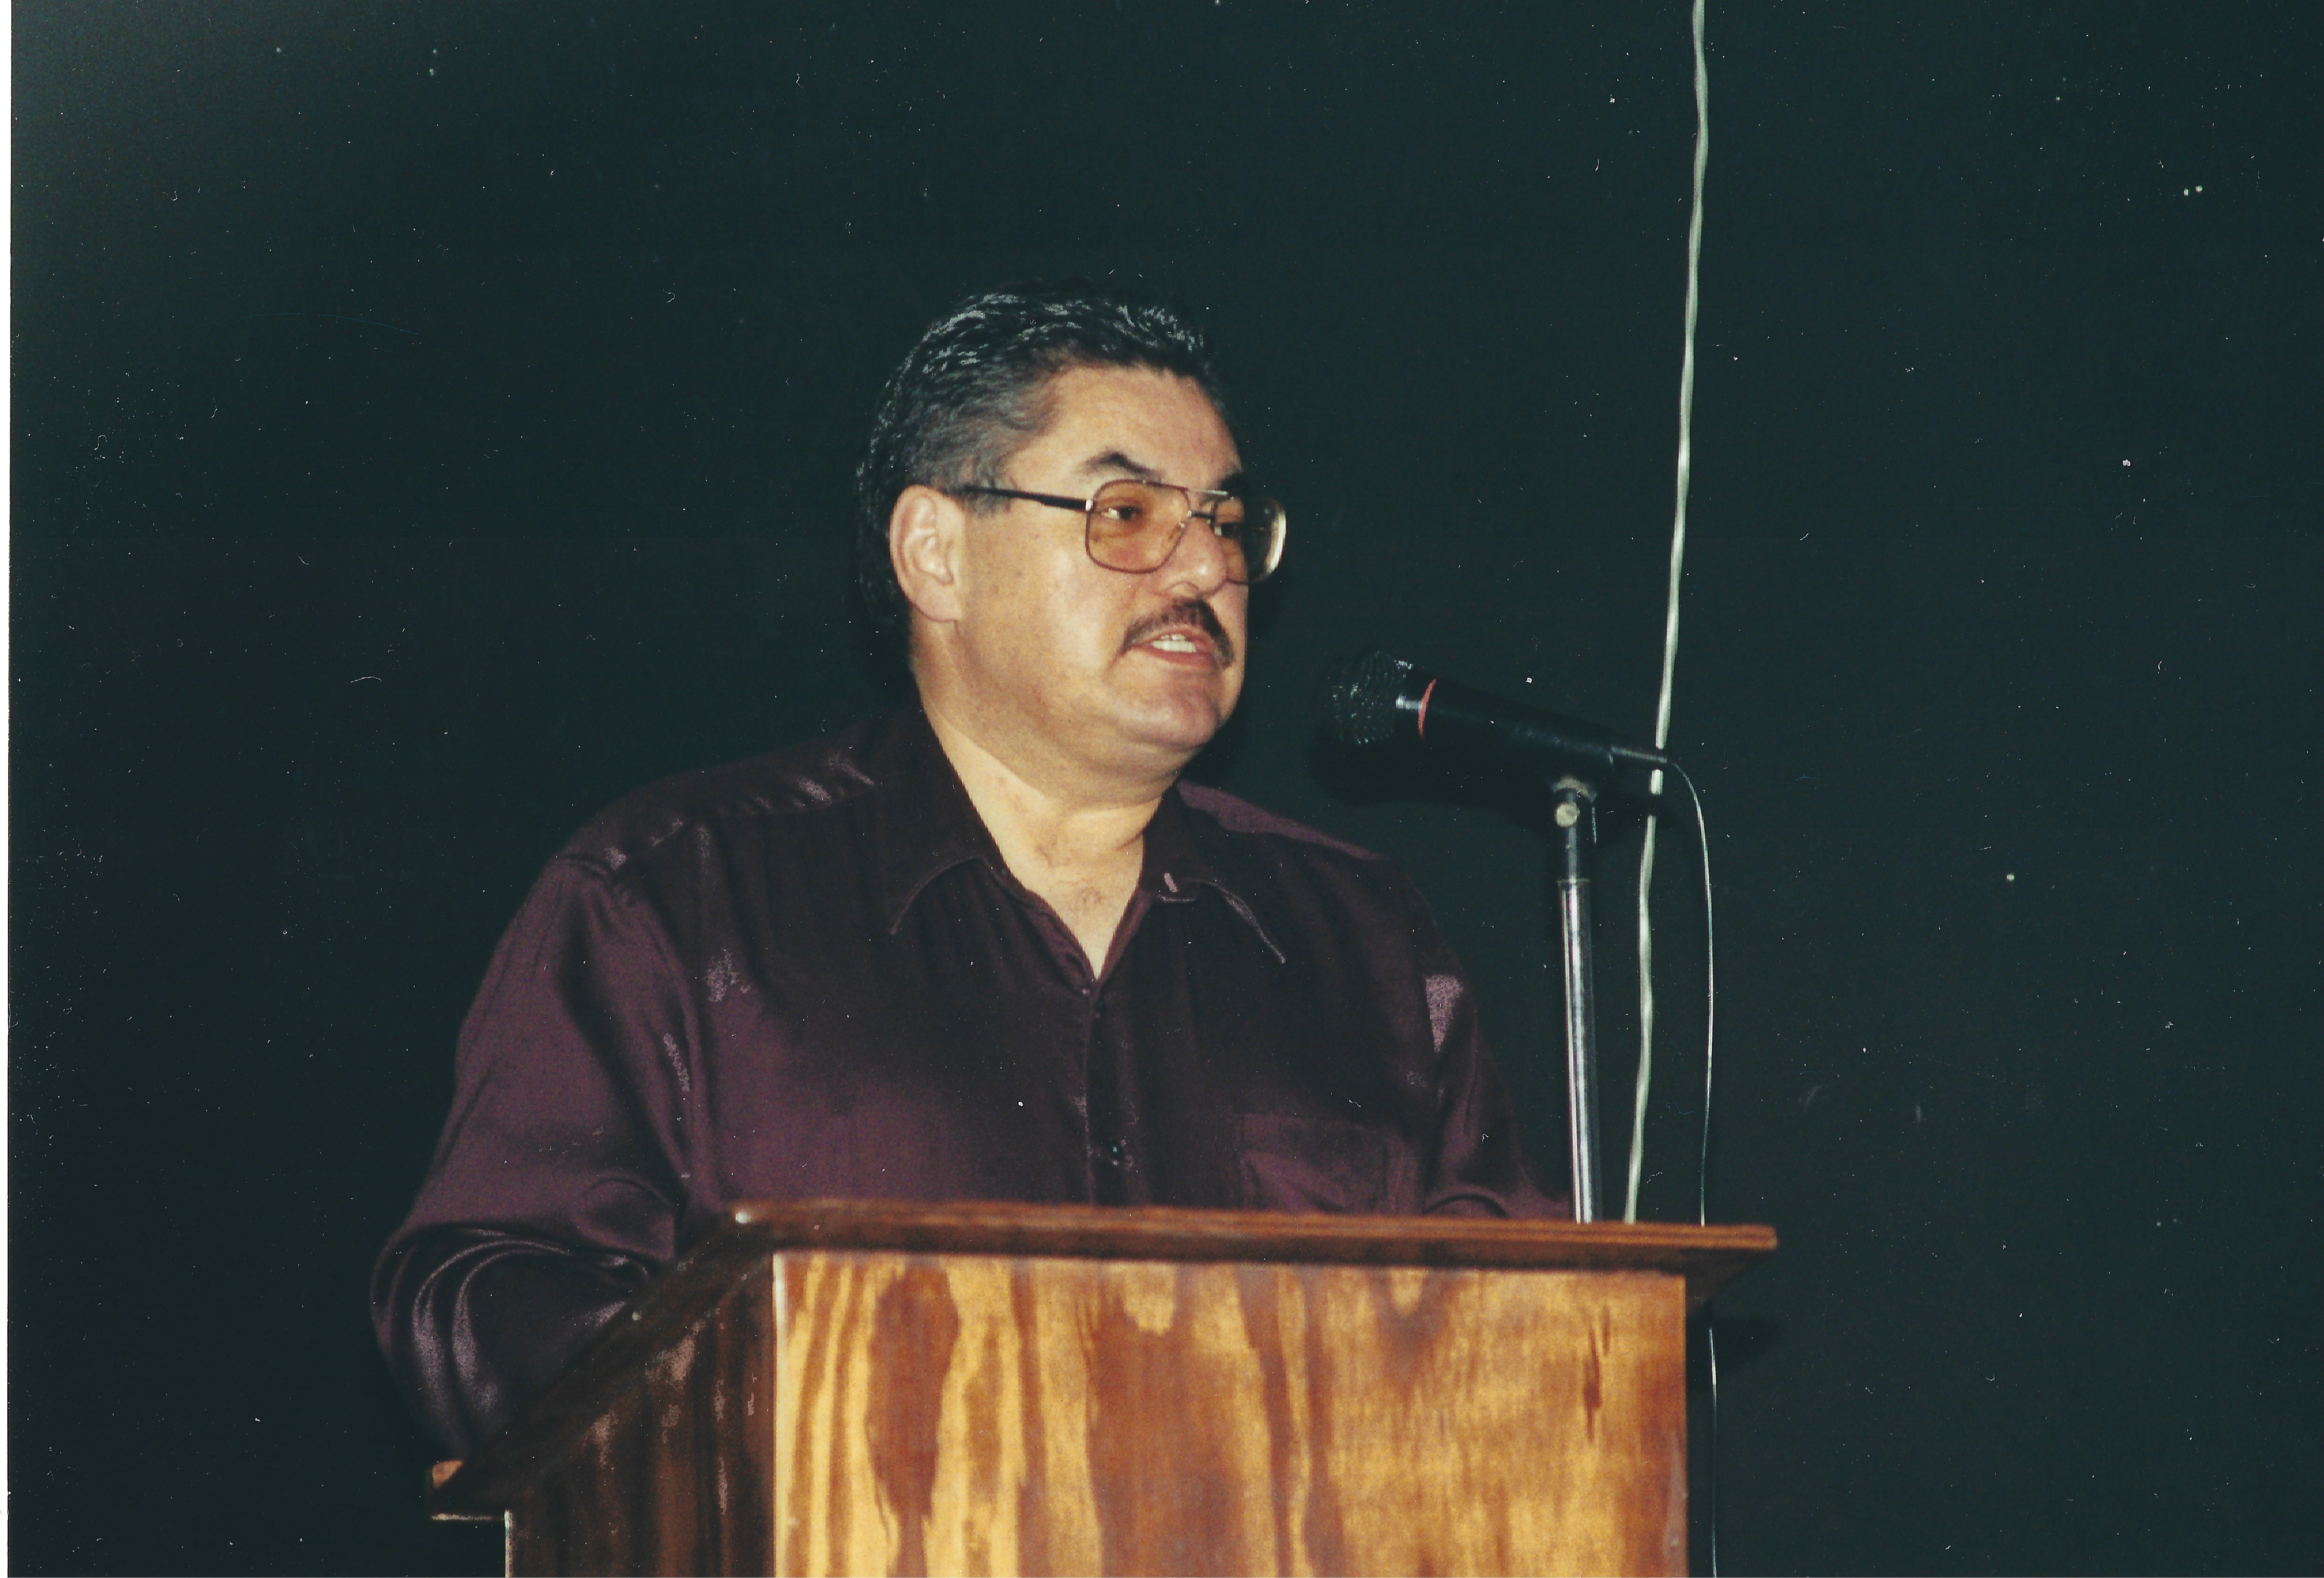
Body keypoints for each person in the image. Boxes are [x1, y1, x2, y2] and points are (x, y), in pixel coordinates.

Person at [372, 285, 1558, 1457]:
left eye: (1228, 521)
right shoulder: (676, 896)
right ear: (934, 555)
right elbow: (484, 1298)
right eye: (1128, 511)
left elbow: (1531, 1353)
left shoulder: (1360, 937)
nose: (1205, 566)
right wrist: (827, 1425)